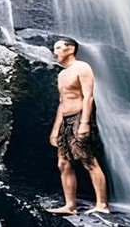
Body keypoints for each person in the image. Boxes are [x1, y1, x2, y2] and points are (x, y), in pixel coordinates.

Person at [47, 37, 110, 216]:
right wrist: (55, 130)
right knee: (63, 163)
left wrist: (84, 123)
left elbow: (88, 97)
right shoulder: (61, 75)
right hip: (65, 121)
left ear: (70, 49)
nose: (54, 52)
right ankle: (70, 205)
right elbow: (62, 102)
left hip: (80, 117)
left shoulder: (82, 67)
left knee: (88, 160)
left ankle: (102, 204)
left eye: (58, 48)